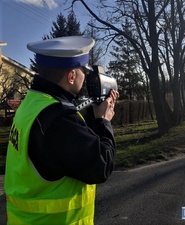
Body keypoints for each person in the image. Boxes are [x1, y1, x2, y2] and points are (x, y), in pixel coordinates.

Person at [4, 36, 119, 225]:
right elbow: (101, 166)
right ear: (71, 76)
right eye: (83, 70)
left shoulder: (34, 104)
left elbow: (69, 145)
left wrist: (96, 117)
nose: (86, 75)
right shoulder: (58, 119)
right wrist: (104, 120)